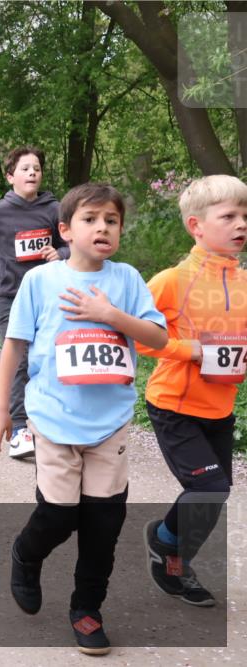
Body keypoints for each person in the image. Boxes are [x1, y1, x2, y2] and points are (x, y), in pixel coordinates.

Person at [0, 183, 167, 655]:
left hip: (109, 424)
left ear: (121, 230)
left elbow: (159, 338)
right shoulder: (41, 282)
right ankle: (26, 554)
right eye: (90, 219)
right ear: (65, 230)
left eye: (111, 220)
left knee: (103, 523)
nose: (102, 227)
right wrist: (1, 408)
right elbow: (15, 346)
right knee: (59, 514)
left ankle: (86, 609)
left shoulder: (127, 279)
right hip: (53, 418)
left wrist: (110, 314)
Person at [136, 175, 247, 608]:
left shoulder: (243, 283)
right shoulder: (172, 280)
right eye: (229, 216)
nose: (241, 224)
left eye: (244, 216)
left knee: (215, 497)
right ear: (196, 226)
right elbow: (139, 336)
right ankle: (166, 546)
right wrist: (192, 351)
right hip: (173, 405)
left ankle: (174, 562)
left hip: (220, 407)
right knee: (209, 488)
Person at [0, 146, 67, 459]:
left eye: (36, 168)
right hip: (8, 296)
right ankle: (21, 429)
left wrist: (61, 253)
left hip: (46, 295)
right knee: (22, 360)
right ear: (10, 176)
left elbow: (72, 242)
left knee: (42, 357)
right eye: (25, 168)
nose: (32, 173)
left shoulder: (54, 210)